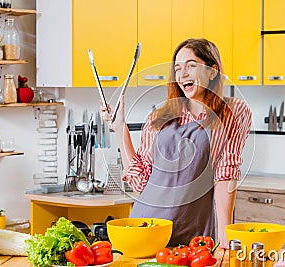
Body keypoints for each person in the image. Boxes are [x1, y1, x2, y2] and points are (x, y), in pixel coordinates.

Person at [102, 38, 252, 248]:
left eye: (191, 66)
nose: (182, 75)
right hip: (147, 227)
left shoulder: (233, 112)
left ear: (212, 71)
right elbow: (139, 182)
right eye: (177, 68)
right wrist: (120, 129)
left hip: (194, 231)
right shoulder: (158, 117)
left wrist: (224, 233)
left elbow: (226, 172)